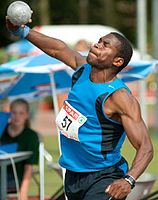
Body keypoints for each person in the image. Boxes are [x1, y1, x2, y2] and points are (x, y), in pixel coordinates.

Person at [6, 19, 153, 200]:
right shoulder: (83, 70)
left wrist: (129, 180)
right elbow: (58, 49)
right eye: (99, 40)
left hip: (104, 177)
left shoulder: (119, 97)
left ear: (118, 61)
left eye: (105, 45)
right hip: (73, 174)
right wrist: (23, 32)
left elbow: (145, 146)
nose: (97, 45)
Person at [0, 98, 39, 200]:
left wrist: (23, 190)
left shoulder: (31, 136)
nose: (17, 116)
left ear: (26, 115)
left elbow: (29, 165)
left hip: (16, 179)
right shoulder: (1, 130)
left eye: (21, 113)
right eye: (14, 112)